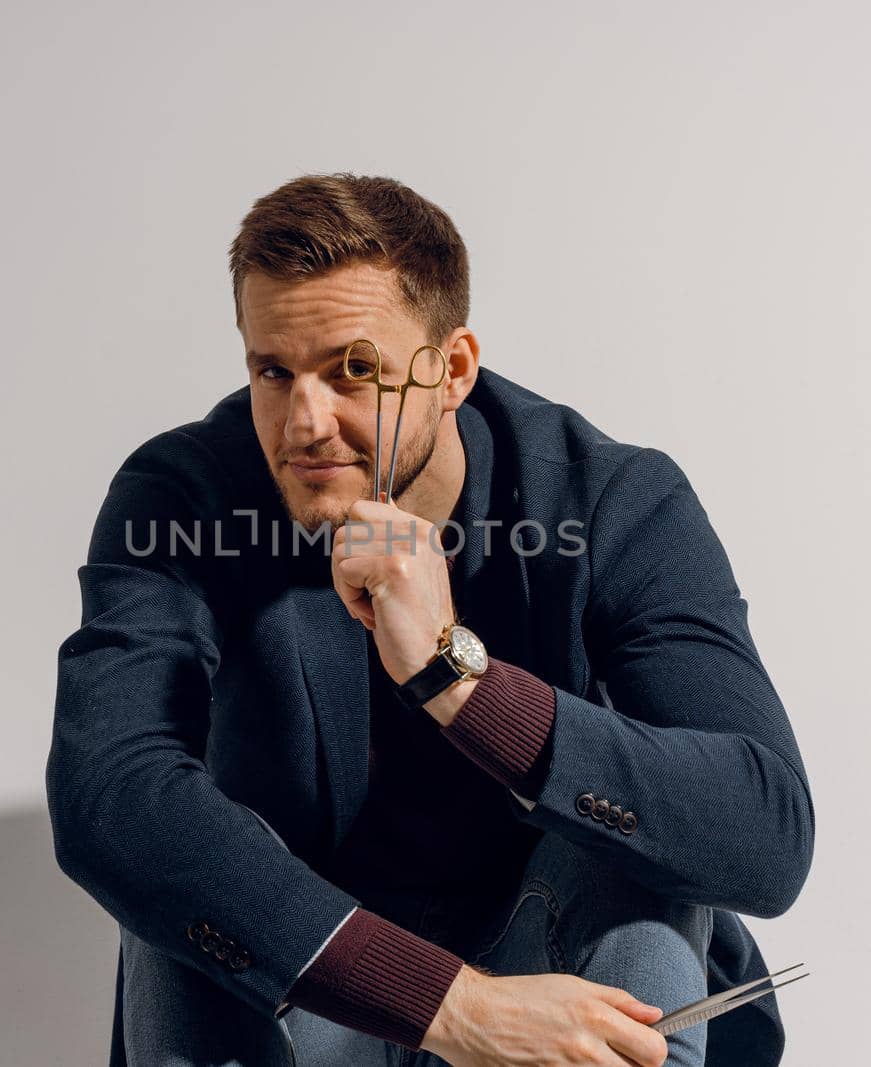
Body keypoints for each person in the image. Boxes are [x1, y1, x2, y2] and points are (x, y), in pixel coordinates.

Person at [46, 173, 815, 1066]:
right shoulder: (184, 494)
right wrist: (453, 1007)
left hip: (554, 982)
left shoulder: (610, 500)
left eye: (354, 371)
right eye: (273, 371)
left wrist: (459, 680)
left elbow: (765, 837)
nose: (304, 421)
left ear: (451, 371)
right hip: (312, 993)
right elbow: (108, 796)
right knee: (180, 857)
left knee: (634, 836)